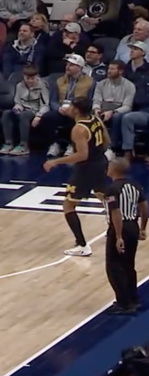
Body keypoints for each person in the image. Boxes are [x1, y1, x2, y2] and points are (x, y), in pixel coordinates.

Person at [43, 97, 109, 257]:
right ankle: (116, 224)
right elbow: (107, 141)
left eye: (71, 106)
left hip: (87, 168)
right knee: (102, 195)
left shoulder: (79, 129)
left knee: (68, 206)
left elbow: (82, 155)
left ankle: (82, 245)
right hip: (101, 162)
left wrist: (56, 161)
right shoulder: (95, 119)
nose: (69, 108)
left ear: (76, 110)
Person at [102, 157, 146, 314]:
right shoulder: (135, 185)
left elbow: (116, 212)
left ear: (113, 169)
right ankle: (133, 299)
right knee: (128, 265)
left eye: (109, 166)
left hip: (119, 228)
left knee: (114, 267)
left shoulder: (112, 189)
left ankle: (124, 303)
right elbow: (144, 207)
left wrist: (118, 236)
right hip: (133, 226)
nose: (107, 168)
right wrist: (142, 228)